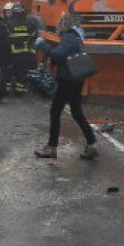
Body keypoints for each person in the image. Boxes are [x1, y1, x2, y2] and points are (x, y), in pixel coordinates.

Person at [34, 12, 97, 160]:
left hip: (67, 80)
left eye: (60, 21)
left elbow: (58, 55)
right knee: (76, 112)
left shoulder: (68, 37)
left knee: (55, 111)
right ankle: (92, 145)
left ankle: (51, 147)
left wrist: (43, 45)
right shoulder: (77, 36)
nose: (58, 24)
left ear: (64, 23)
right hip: (76, 78)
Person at [0, 2, 38, 97]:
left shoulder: (7, 23)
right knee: (22, 73)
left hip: (11, 54)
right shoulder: (30, 23)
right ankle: (19, 91)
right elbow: (34, 37)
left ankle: (6, 90)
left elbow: (4, 39)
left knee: (7, 72)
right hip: (25, 54)